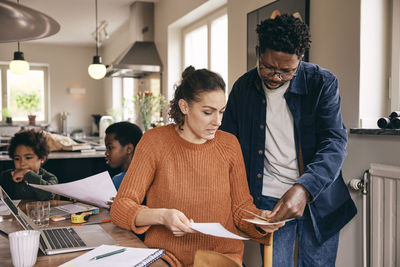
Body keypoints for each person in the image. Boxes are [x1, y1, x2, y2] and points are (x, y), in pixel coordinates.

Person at [110, 66, 284, 267]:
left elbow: (241, 208)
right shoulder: (154, 141)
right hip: (166, 255)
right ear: (184, 107)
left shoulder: (229, 144)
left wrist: (261, 219)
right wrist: (162, 216)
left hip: (221, 255)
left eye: (221, 112)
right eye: (207, 112)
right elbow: (121, 206)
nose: (217, 121)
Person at [220, 14, 357, 266]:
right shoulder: (243, 88)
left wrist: (304, 189)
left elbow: (335, 142)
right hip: (269, 202)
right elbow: (226, 145)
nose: (276, 77)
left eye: (287, 71)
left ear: (300, 60)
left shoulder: (322, 83)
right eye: (268, 67)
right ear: (258, 51)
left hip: (319, 195)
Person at [0, 129, 58, 200]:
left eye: (28, 158)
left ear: (42, 158)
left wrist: (27, 174)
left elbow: (48, 196)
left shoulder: (50, 178)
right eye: (17, 159)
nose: (22, 163)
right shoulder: (5, 176)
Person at [104, 121, 143, 190]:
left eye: (110, 148)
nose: (106, 153)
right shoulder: (144, 176)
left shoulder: (118, 180)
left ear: (129, 149)